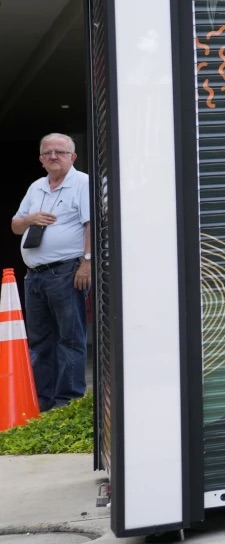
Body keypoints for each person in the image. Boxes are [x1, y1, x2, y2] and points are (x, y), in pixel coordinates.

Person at [10, 133, 90, 412]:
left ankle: (67, 403)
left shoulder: (82, 183)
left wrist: (87, 262)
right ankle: (41, 402)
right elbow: (16, 226)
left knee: (69, 338)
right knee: (40, 341)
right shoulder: (36, 186)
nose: (53, 156)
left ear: (72, 157)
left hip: (66, 272)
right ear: (41, 159)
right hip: (35, 275)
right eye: (47, 153)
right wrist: (31, 219)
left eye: (60, 151)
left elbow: (91, 224)